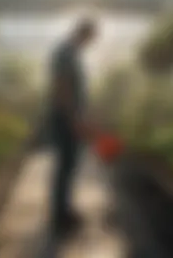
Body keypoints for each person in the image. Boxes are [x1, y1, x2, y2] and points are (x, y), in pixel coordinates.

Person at [47, 18, 98, 239]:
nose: (90, 43)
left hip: (69, 117)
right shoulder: (65, 53)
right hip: (65, 118)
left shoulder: (71, 53)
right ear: (82, 33)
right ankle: (59, 217)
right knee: (65, 166)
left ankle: (65, 210)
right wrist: (74, 119)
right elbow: (63, 88)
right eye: (90, 38)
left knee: (69, 166)